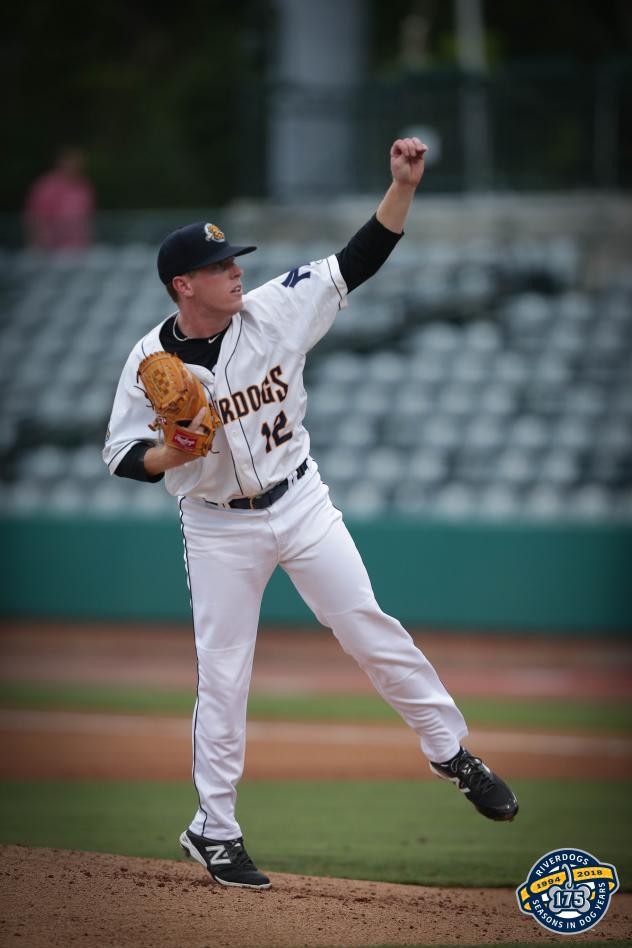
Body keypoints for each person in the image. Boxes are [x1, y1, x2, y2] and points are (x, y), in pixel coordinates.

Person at [103, 137, 518, 891]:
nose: (238, 272)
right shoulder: (147, 365)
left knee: (368, 625)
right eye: (222, 267)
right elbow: (121, 455)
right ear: (182, 285)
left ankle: (451, 753)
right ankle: (215, 831)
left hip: (301, 499)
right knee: (224, 677)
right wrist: (173, 450)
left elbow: (362, 255)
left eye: (237, 261)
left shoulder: (277, 310)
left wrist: (402, 186)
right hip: (218, 525)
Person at [23, 147, 95, 250]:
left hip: (79, 246)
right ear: (61, 162)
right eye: (72, 161)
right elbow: (34, 217)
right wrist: (41, 242)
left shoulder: (83, 186)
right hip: (52, 247)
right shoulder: (47, 186)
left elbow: (88, 217)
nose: (76, 166)